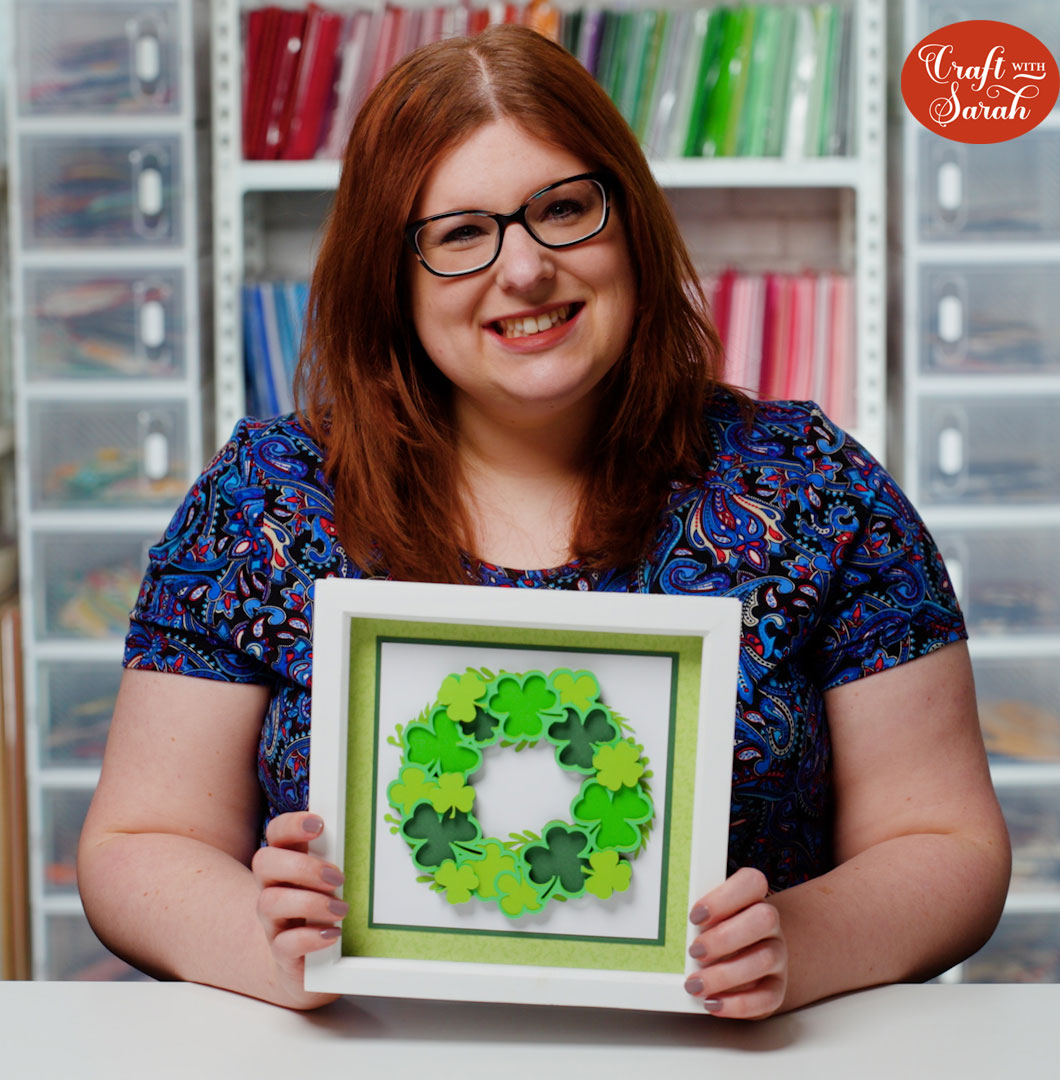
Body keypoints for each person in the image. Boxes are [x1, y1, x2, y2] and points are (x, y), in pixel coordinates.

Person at [78, 25, 1010, 1019]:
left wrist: (800, 945)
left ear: (629, 224)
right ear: (389, 278)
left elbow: (948, 845)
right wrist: (264, 943)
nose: (523, 270)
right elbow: (137, 844)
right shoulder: (262, 500)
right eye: (460, 233)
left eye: (563, 208)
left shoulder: (816, 487)